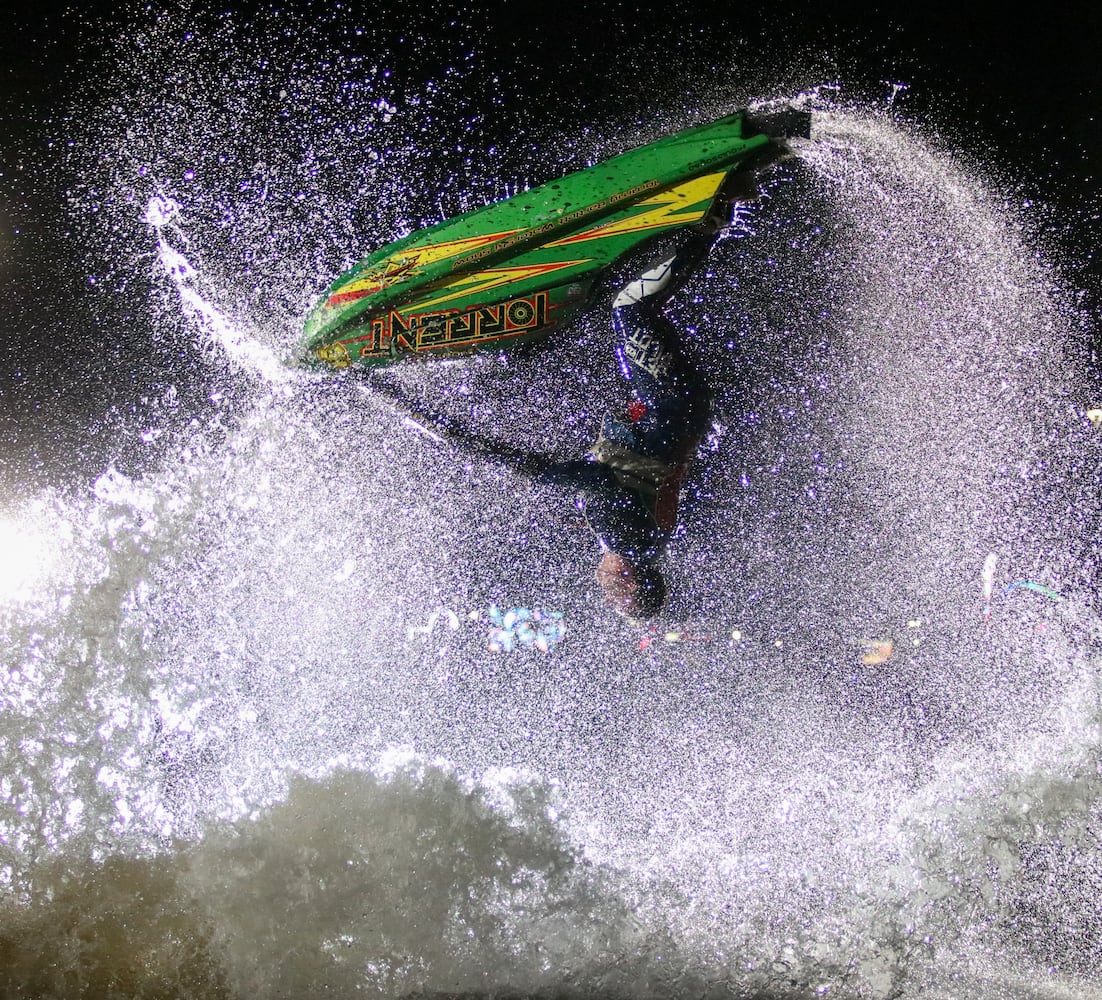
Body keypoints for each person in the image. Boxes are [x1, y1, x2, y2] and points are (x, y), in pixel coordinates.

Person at [543, 185, 742, 618]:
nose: (606, 594)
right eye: (618, 598)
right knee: (630, 308)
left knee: (636, 312)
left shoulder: (647, 543)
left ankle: (710, 217)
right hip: (669, 403)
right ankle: (713, 219)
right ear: (631, 581)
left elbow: (638, 486)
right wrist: (534, 472)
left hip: (681, 409)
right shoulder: (628, 543)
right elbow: (595, 481)